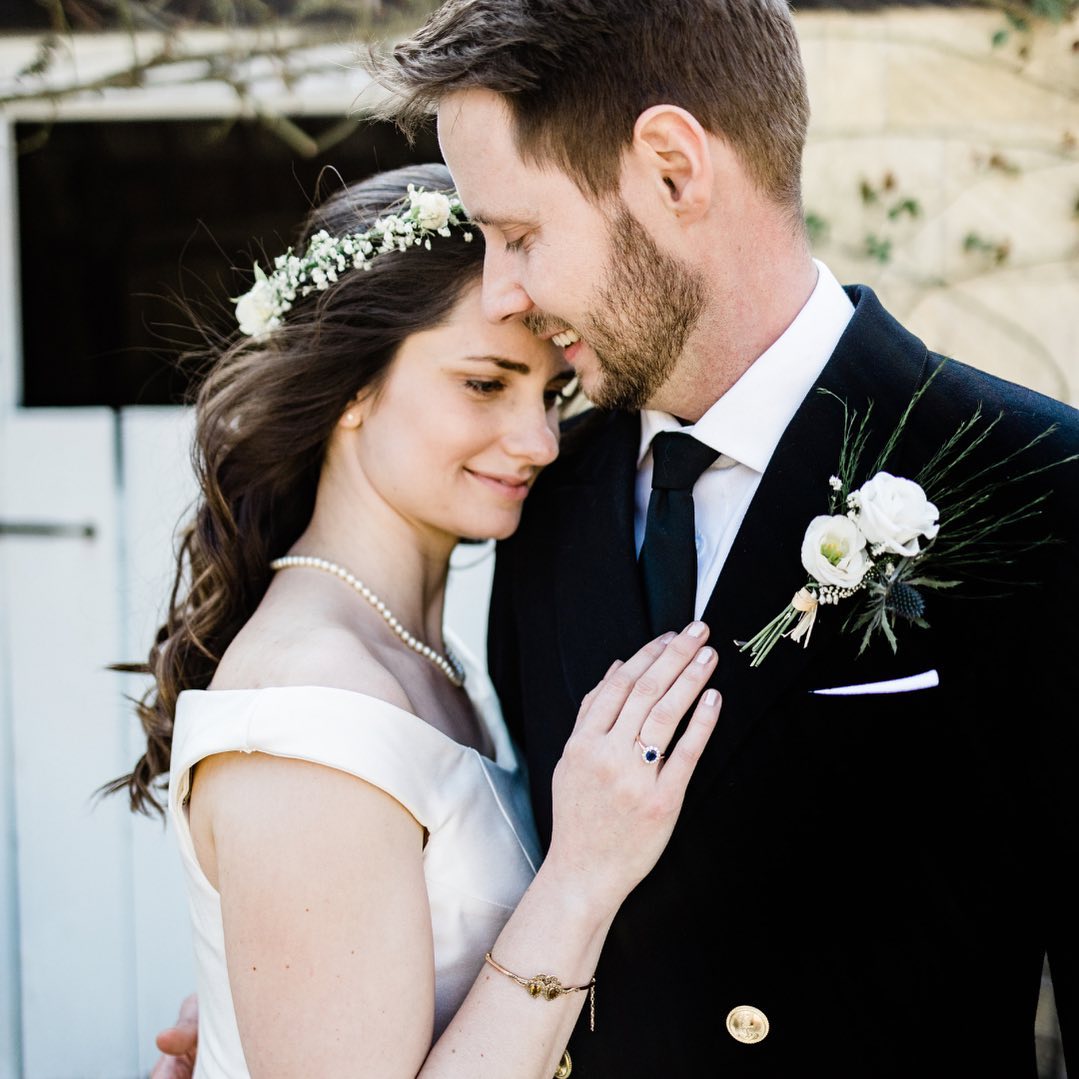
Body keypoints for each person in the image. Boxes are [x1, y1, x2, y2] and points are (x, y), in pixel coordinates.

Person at [156, 2, 1079, 1075]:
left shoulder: (1034, 482)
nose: (501, 288)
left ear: (672, 169)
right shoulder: (543, 502)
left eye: (519, 235)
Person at [116, 161, 723, 1078]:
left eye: (550, 395)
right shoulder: (309, 700)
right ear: (352, 387)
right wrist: (583, 874)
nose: (539, 441)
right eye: (485, 384)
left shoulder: (416, 655)